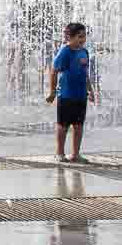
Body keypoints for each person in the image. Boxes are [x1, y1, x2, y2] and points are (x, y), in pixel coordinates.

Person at [46, 22, 96, 163]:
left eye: (84, 36)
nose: (82, 39)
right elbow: (54, 71)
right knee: (63, 125)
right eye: (79, 36)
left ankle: (75, 154)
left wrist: (90, 91)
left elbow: (85, 74)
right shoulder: (65, 51)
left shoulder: (84, 51)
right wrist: (52, 92)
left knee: (79, 126)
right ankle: (60, 153)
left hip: (80, 95)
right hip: (66, 95)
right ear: (70, 37)